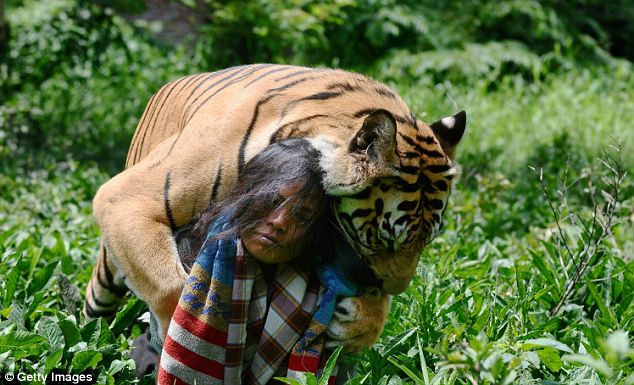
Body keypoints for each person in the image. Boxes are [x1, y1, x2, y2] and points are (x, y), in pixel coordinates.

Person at [151, 138, 374, 384]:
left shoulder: (327, 299)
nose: (279, 222)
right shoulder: (188, 261)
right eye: (271, 200)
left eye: (302, 215)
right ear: (246, 194)